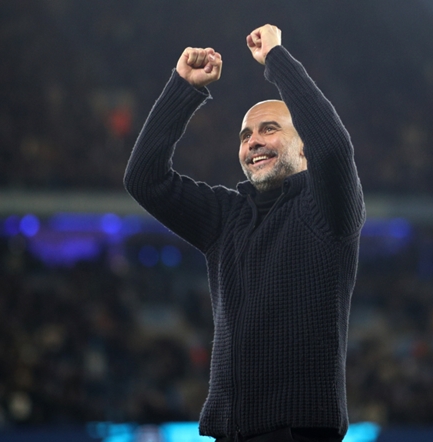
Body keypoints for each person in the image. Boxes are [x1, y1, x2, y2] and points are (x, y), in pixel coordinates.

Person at [124, 24, 364, 442]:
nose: (253, 141)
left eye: (269, 129)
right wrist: (183, 88)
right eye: (245, 135)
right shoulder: (225, 217)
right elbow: (144, 179)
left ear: (303, 147)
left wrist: (277, 59)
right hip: (230, 431)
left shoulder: (329, 210)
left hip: (298, 430)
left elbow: (332, 147)